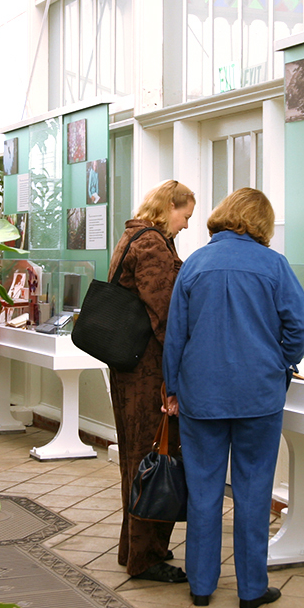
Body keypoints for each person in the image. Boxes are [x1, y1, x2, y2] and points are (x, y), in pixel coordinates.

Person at [163, 188, 304, 608]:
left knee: (204, 490)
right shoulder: (273, 265)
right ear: (260, 222)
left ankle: (201, 585)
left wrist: (172, 387)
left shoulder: (194, 264)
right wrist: (278, 361)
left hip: (201, 395)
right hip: (258, 396)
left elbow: (176, 335)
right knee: (253, 491)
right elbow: (300, 325)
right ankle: (250, 589)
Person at [107, 179, 196, 583]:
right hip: (148, 371)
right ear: (169, 208)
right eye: (185, 215)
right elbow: (166, 314)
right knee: (153, 457)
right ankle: (146, 558)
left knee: (135, 458)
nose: (186, 225)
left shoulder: (131, 236)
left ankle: (135, 549)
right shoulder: (152, 244)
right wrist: (181, 369)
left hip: (129, 367)